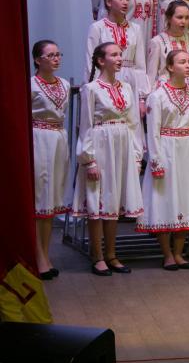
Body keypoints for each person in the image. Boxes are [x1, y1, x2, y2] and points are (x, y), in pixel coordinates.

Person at [73, 42, 145, 276]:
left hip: (121, 146)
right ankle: (97, 256)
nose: (119, 58)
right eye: (114, 55)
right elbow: (86, 125)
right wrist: (89, 160)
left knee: (113, 204)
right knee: (97, 202)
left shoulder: (126, 87)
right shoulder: (91, 89)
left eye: (120, 54)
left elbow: (133, 123)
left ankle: (112, 254)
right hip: (101, 146)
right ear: (101, 61)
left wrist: (136, 155)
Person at [137, 50, 189, 270]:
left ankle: (178, 253)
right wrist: (156, 161)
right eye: (182, 62)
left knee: (185, 200)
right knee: (165, 201)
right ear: (170, 67)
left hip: (188, 151)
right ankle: (167, 254)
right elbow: (153, 131)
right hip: (167, 152)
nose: (188, 65)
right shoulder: (157, 96)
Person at [30, 40, 70, 280]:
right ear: (38, 60)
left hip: (58, 139)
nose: (56, 59)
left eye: (58, 54)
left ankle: (45, 253)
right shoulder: (31, 85)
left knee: (52, 198)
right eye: (51, 55)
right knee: (40, 197)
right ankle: (38, 256)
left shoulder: (64, 84)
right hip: (39, 139)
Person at [85, 0, 150, 111]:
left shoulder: (135, 29)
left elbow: (140, 65)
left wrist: (142, 97)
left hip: (131, 82)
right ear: (109, 2)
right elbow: (90, 63)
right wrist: (93, 91)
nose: (125, 2)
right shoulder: (98, 28)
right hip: (106, 79)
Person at [147, 1, 189, 93]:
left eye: (187, 18)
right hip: (165, 92)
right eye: (179, 17)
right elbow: (151, 75)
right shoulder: (157, 42)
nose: (183, 21)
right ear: (169, 18)